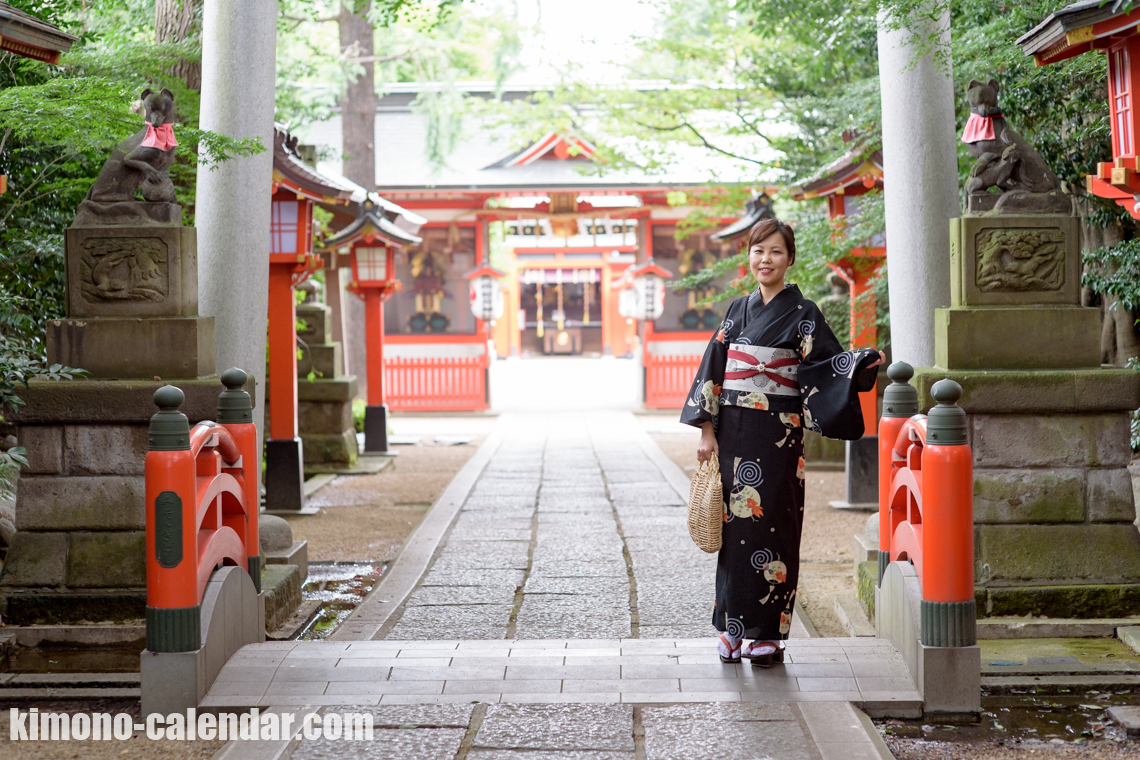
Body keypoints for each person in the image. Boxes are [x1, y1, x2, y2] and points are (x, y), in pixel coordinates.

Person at [679, 218, 884, 666]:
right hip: (733, 433)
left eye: (775, 251)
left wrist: (861, 363)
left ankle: (768, 633)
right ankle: (732, 628)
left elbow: (828, 365)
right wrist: (707, 432)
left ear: (790, 258)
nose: (765, 259)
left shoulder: (804, 313)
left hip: (778, 437)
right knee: (734, 531)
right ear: (749, 258)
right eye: (757, 251)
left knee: (776, 523)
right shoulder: (737, 310)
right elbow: (713, 369)